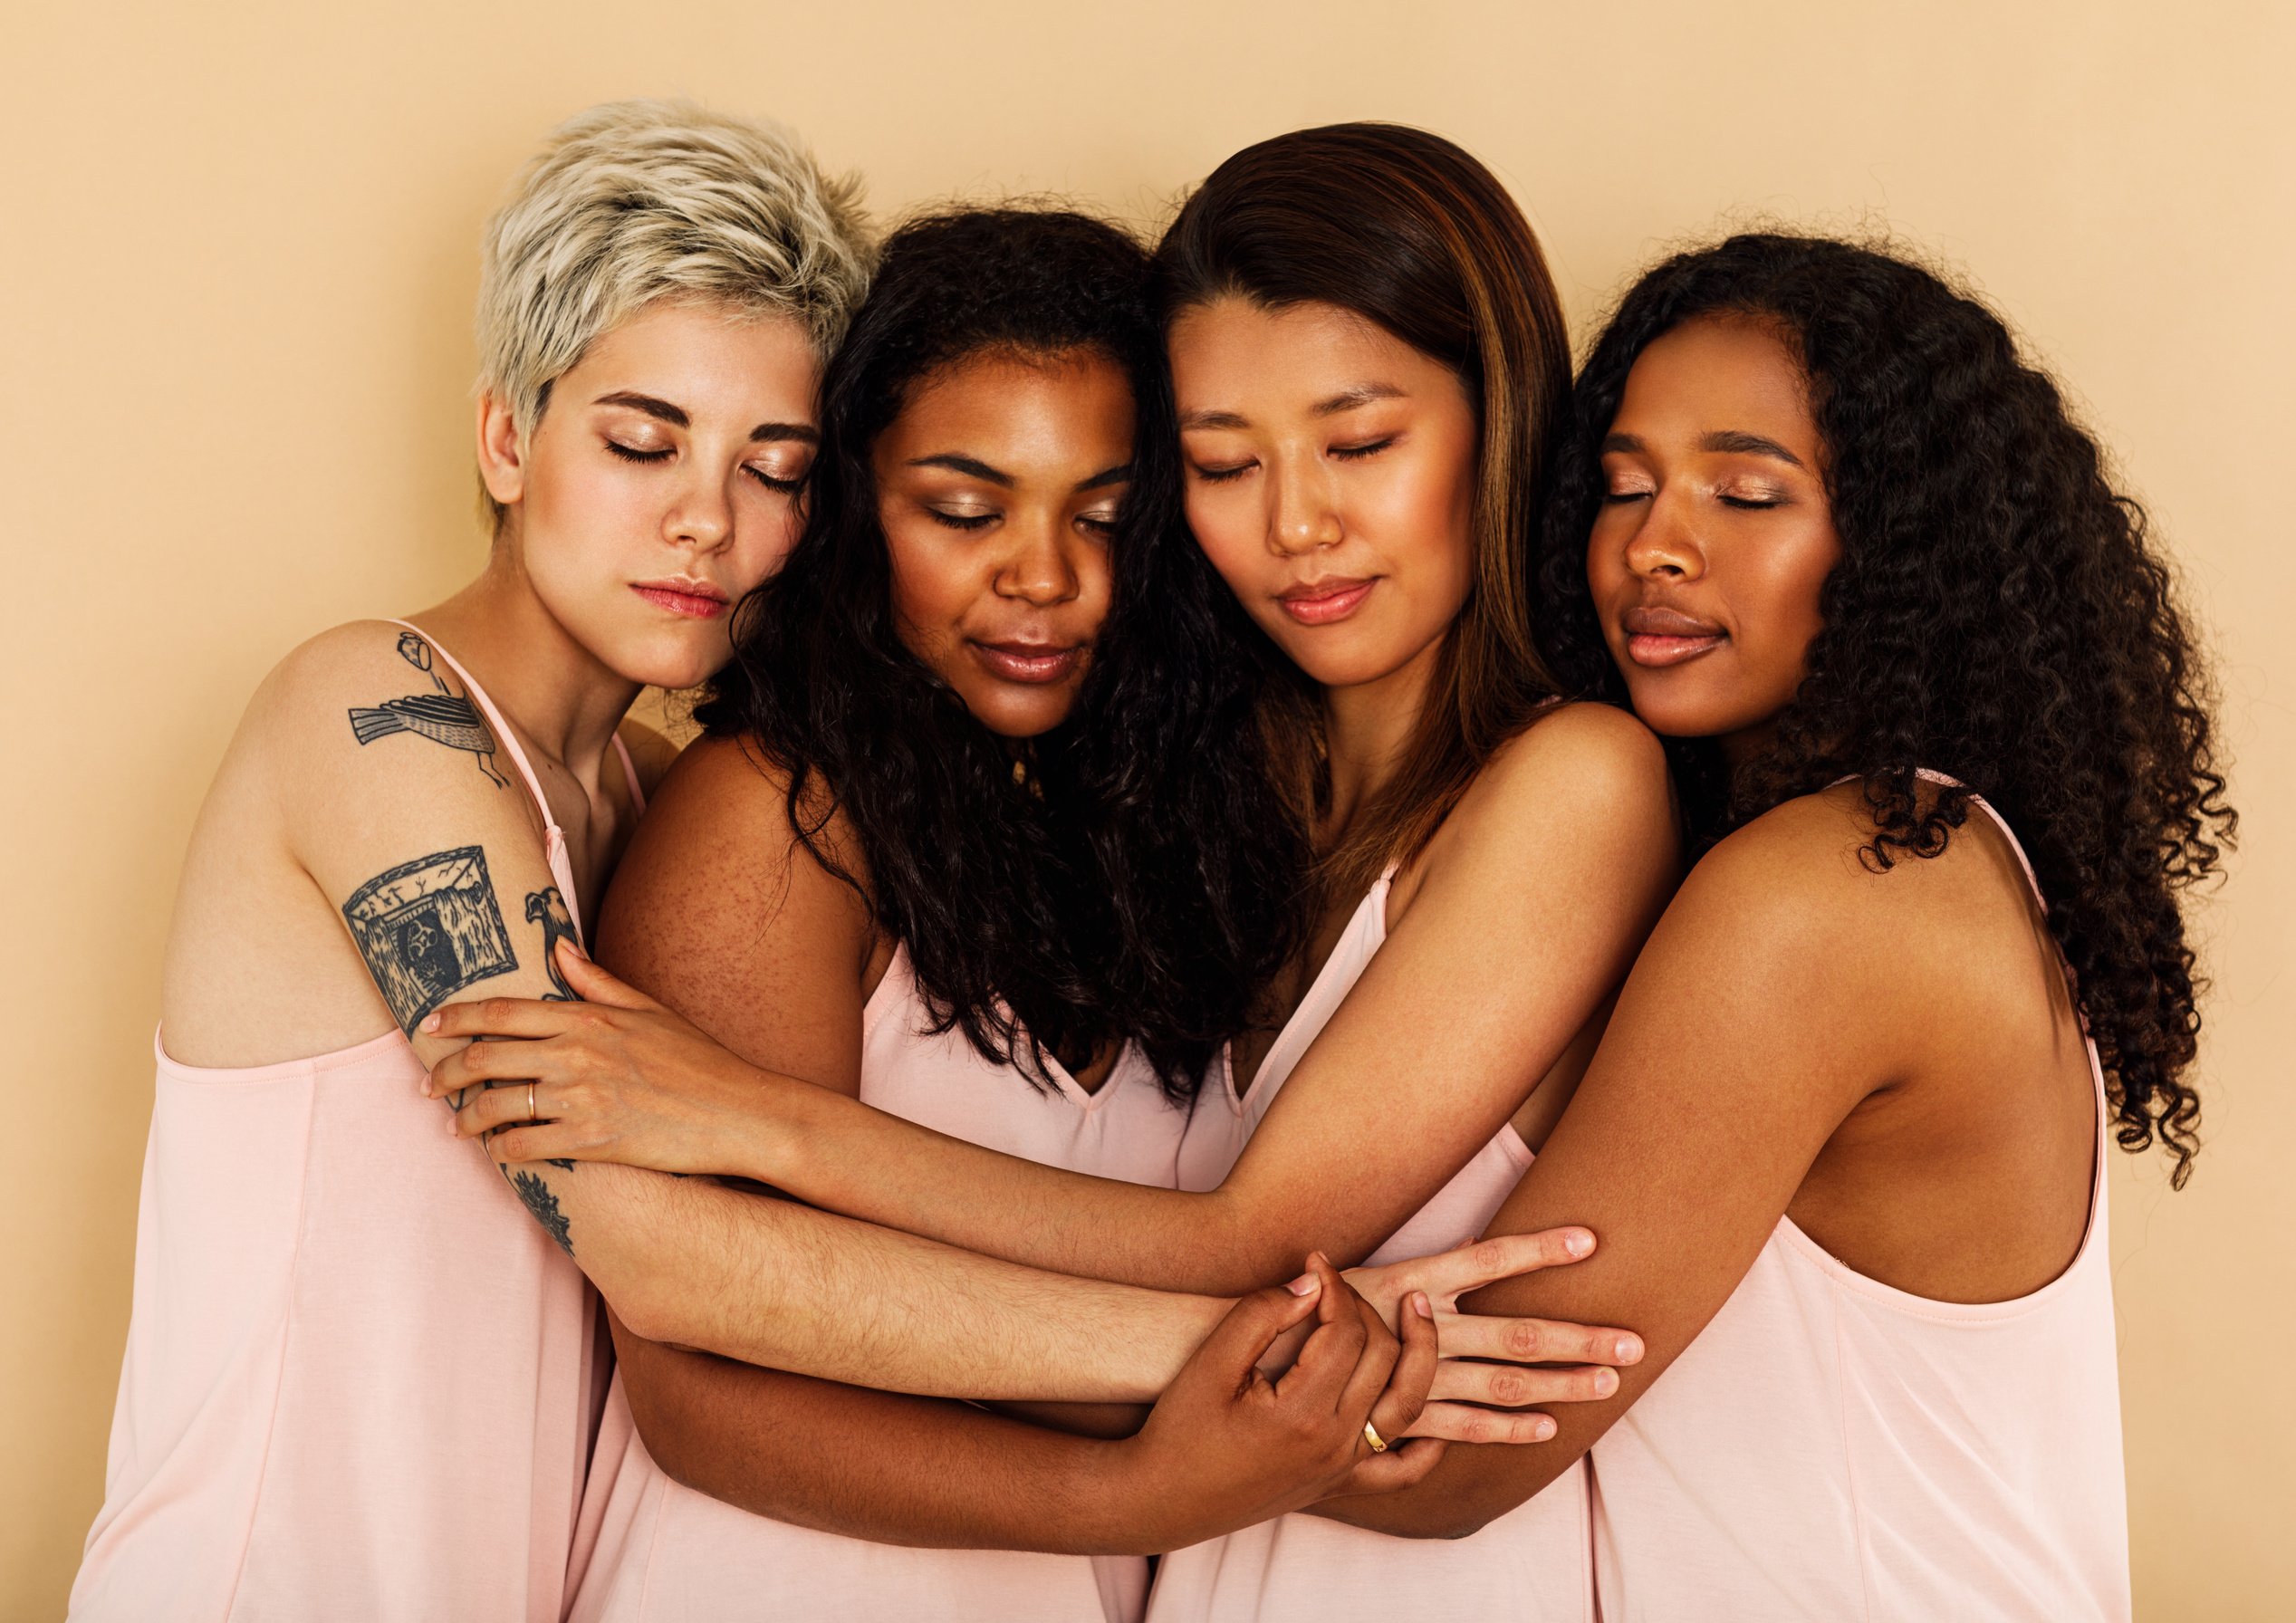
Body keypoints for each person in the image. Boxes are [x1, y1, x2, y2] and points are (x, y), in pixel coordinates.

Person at [437, 124, 1674, 1620]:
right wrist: (1176, 1458)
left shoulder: (1218, 822)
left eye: (1109, 515)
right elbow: (701, 1385)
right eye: (962, 510)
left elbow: (1236, 1246)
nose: (1042, 574)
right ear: (844, 510)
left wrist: (769, 1126)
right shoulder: (772, 818)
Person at [1302, 234, 2233, 1621]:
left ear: (1908, 548)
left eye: (1746, 492)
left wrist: (990, 1360)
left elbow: (1446, 1459)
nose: (1654, 544)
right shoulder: (1936, 859)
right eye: (1622, 486)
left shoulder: (1832, 897)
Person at [70, 98, 870, 1623]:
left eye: (776, 467)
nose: (707, 518)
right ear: (508, 439)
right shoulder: (370, 715)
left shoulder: (654, 798)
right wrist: (1195, 1335)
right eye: (643, 442)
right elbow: (665, 1257)